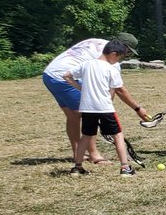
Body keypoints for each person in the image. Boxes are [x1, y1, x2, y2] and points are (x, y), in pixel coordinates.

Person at [42, 32, 139, 165]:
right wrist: (138, 109)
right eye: (127, 51)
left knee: (73, 115)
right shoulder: (112, 59)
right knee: (89, 115)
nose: (127, 54)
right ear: (122, 48)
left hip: (49, 75)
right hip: (64, 76)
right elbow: (119, 89)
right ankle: (94, 155)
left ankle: (77, 154)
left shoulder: (96, 41)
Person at [62, 38, 150, 176]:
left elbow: (66, 76)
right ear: (113, 54)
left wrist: (81, 88)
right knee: (118, 135)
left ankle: (77, 167)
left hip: (87, 108)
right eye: (119, 58)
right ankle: (125, 168)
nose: (118, 61)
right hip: (105, 108)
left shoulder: (86, 65)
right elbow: (116, 89)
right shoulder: (111, 69)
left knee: (86, 136)